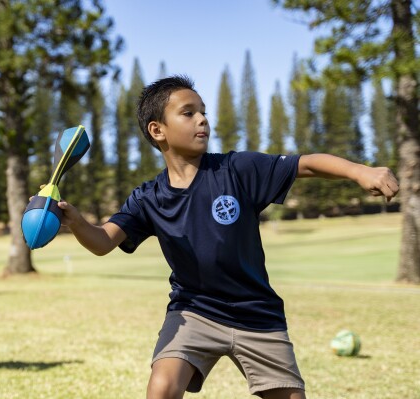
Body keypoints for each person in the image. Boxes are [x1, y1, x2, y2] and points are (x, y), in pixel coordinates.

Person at [54, 75, 399, 399]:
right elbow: (103, 241)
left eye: (204, 112)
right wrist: (76, 221)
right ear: (157, 130)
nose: (202, 119)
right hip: (194, 312)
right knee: (160, 388)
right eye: (188, 113)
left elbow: (303, 164)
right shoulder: (148, 198)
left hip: (257, 313)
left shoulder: (238, 170)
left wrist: (360, 171)